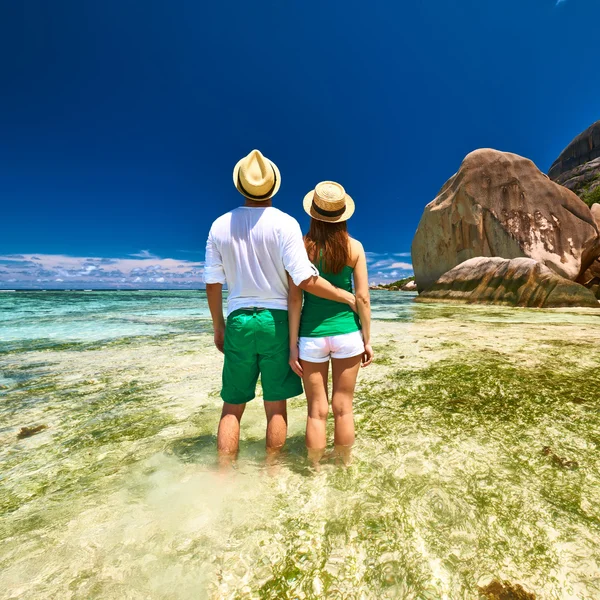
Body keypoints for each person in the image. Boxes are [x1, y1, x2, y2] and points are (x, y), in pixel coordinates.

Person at [204, 150, 357, 466]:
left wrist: (218, 326)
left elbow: (213, 283)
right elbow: (305, 280)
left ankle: (222, 474)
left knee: (232, 407)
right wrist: (346, 296)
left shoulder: (219, 226)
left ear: (240, 187)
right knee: (275, 406)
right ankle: (272, 471)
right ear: (272, 187)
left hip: (238, 320)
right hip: (277, 322)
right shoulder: (285, 224)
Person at [288, 181, 373, 466]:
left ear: (313, 213)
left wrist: (292, 346)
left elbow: (294, 300)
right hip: (348, 334)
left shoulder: (300, 246)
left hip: (310, 337)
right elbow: (362, 298)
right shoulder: (355, 247)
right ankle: (344, 465)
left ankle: (314, 471)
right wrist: (367, 339)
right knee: (343, 408)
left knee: (316, 411)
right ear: (342, 215)